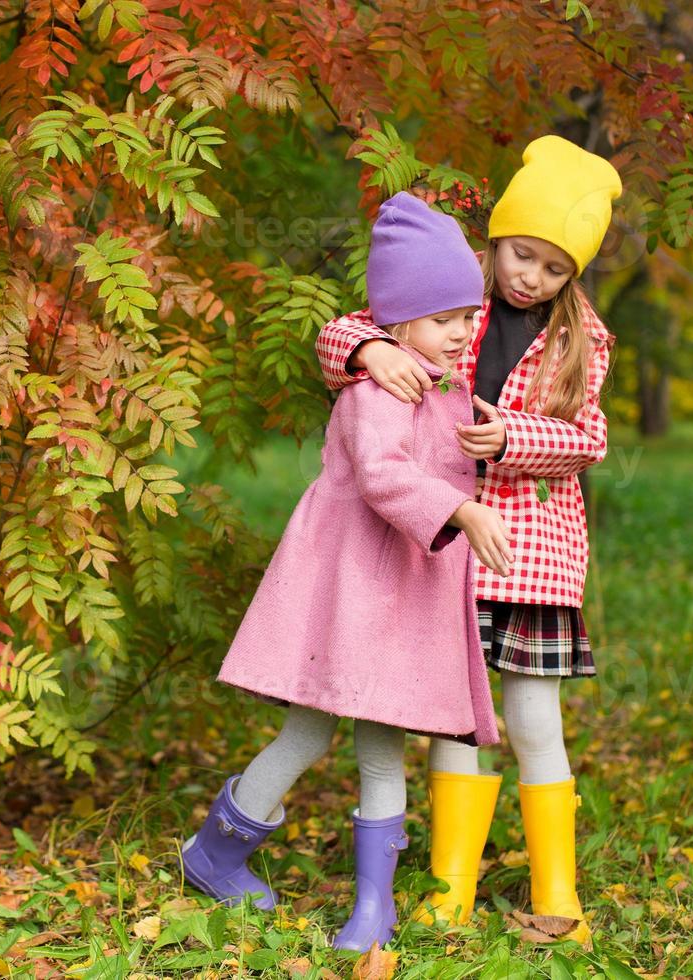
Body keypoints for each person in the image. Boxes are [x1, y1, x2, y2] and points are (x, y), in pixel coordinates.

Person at [180, 192, 512, 953]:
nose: (464, 331)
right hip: (355, 586)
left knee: (382, 741)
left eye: (469, 314)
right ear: (397, 325)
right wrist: (461, 513)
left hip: (401, 591)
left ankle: (373, 907)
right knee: (308, 728)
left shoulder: (441, 381)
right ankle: (218, 852)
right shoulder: (380, 385)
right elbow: (382, 476)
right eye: (446, 318)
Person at [313, 135, 622, 944]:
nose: (533, 277)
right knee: (453, 716)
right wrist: (373, 349)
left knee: (530, 719)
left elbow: (588, 438)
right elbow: (336, 334)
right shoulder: (452, 300)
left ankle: (559, 893)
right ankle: (451, 882)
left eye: (556, 268)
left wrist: (514, 437)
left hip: (531, 554)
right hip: (445, 553)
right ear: (497, 238)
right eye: (523, 254)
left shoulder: (579, 338)